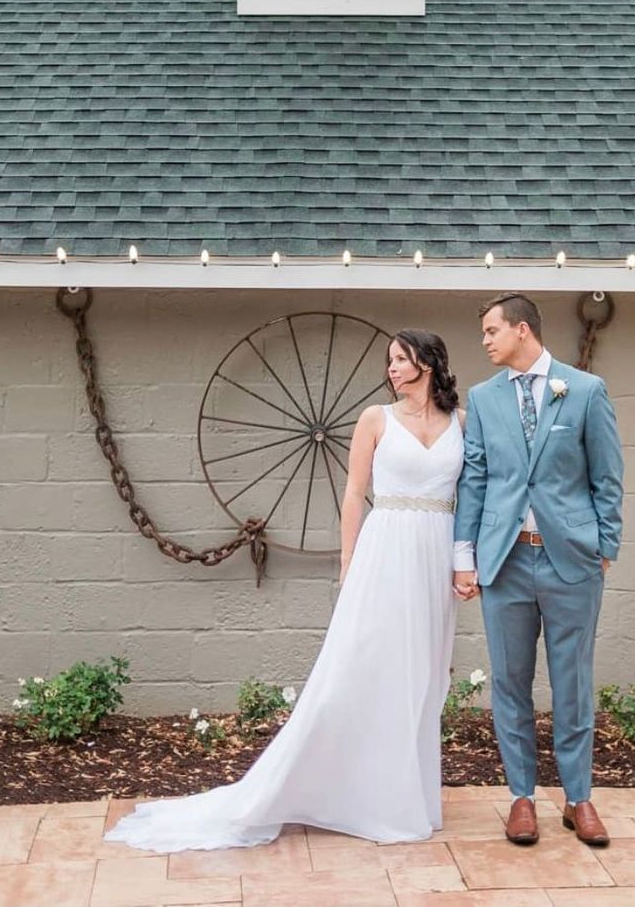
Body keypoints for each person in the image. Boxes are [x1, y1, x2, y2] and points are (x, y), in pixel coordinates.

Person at [106, 329, 464, 853]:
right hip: (384, 554)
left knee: (424, 675)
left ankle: (410, 796)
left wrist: (463, 561)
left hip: (435, 555)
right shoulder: (375, 420)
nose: (391, 368)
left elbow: (473, 495)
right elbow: (353, 494)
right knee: (366, 669)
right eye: (388, 360)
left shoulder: (460, 422)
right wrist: (350, 565)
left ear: (427, 364)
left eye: (400, 359)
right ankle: (348, 794)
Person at [453, 293, 623, 848]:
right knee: (509, 683)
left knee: (573, 684)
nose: (484, 341)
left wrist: (605, 544)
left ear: (522, 331)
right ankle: (521, 798)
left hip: (570, 560)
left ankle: (579, 799)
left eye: (490, 330)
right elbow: (474, 481)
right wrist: (466, 556)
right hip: (505, 561)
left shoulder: (584, 391)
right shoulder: (482, 399)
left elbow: (607, 476)